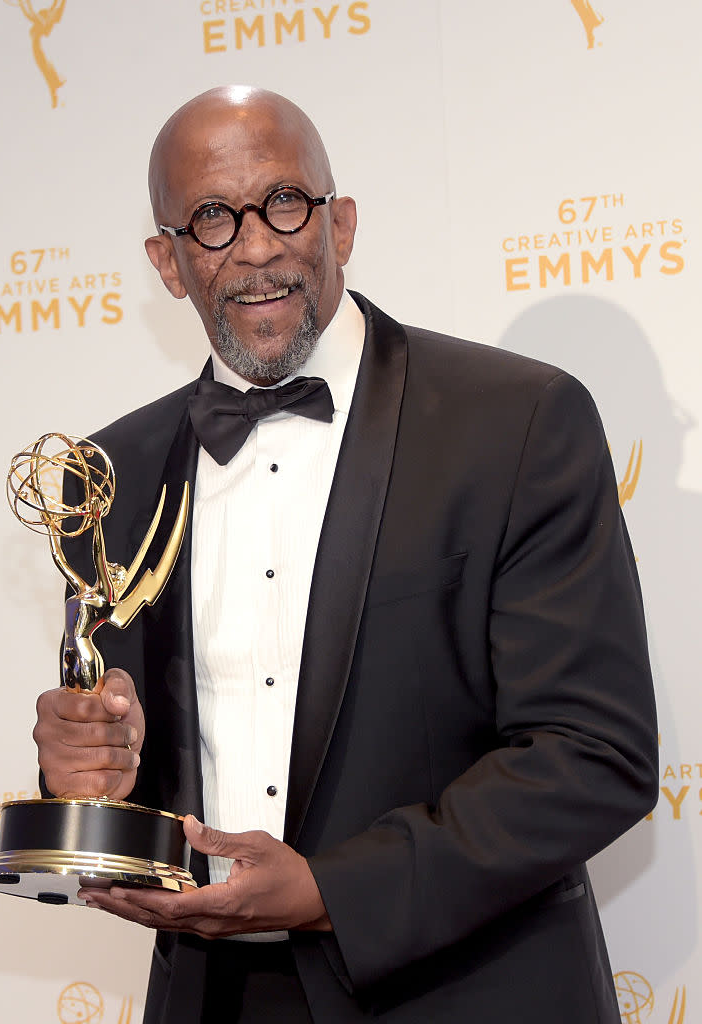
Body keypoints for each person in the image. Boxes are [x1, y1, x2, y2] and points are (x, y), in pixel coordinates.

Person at [33, 85, 658, 1023]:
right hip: (216, 999)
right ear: (166, 262)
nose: (255, 246)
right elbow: (132, 761)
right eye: (211, 219)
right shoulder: (109, 473)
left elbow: (593, 752)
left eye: (283, 202)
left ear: (343, 222)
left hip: (467, 991)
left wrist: (333, 891)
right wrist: (85, 773)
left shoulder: (517, 421)